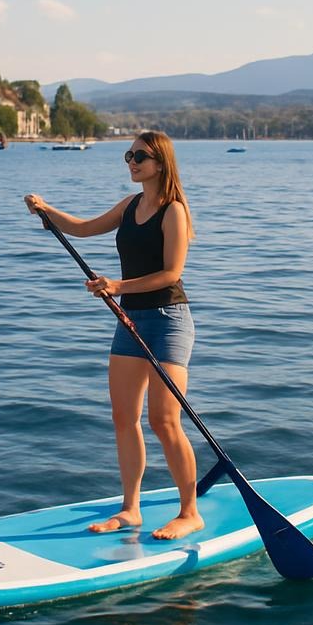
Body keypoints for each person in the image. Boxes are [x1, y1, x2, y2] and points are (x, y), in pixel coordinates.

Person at [24, 130, 202, 540]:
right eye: (129, 155)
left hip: (169, 319)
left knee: (164, 420)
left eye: (140, 156)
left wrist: (118, 286)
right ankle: (130, 509)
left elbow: (171, 273)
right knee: (124, 417)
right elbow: (84, 229)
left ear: (160, 163)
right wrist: (46, 210)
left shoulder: (173, 210)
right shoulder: (130, 205)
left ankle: (189, 512)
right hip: (130, 319)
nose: (132, 163)